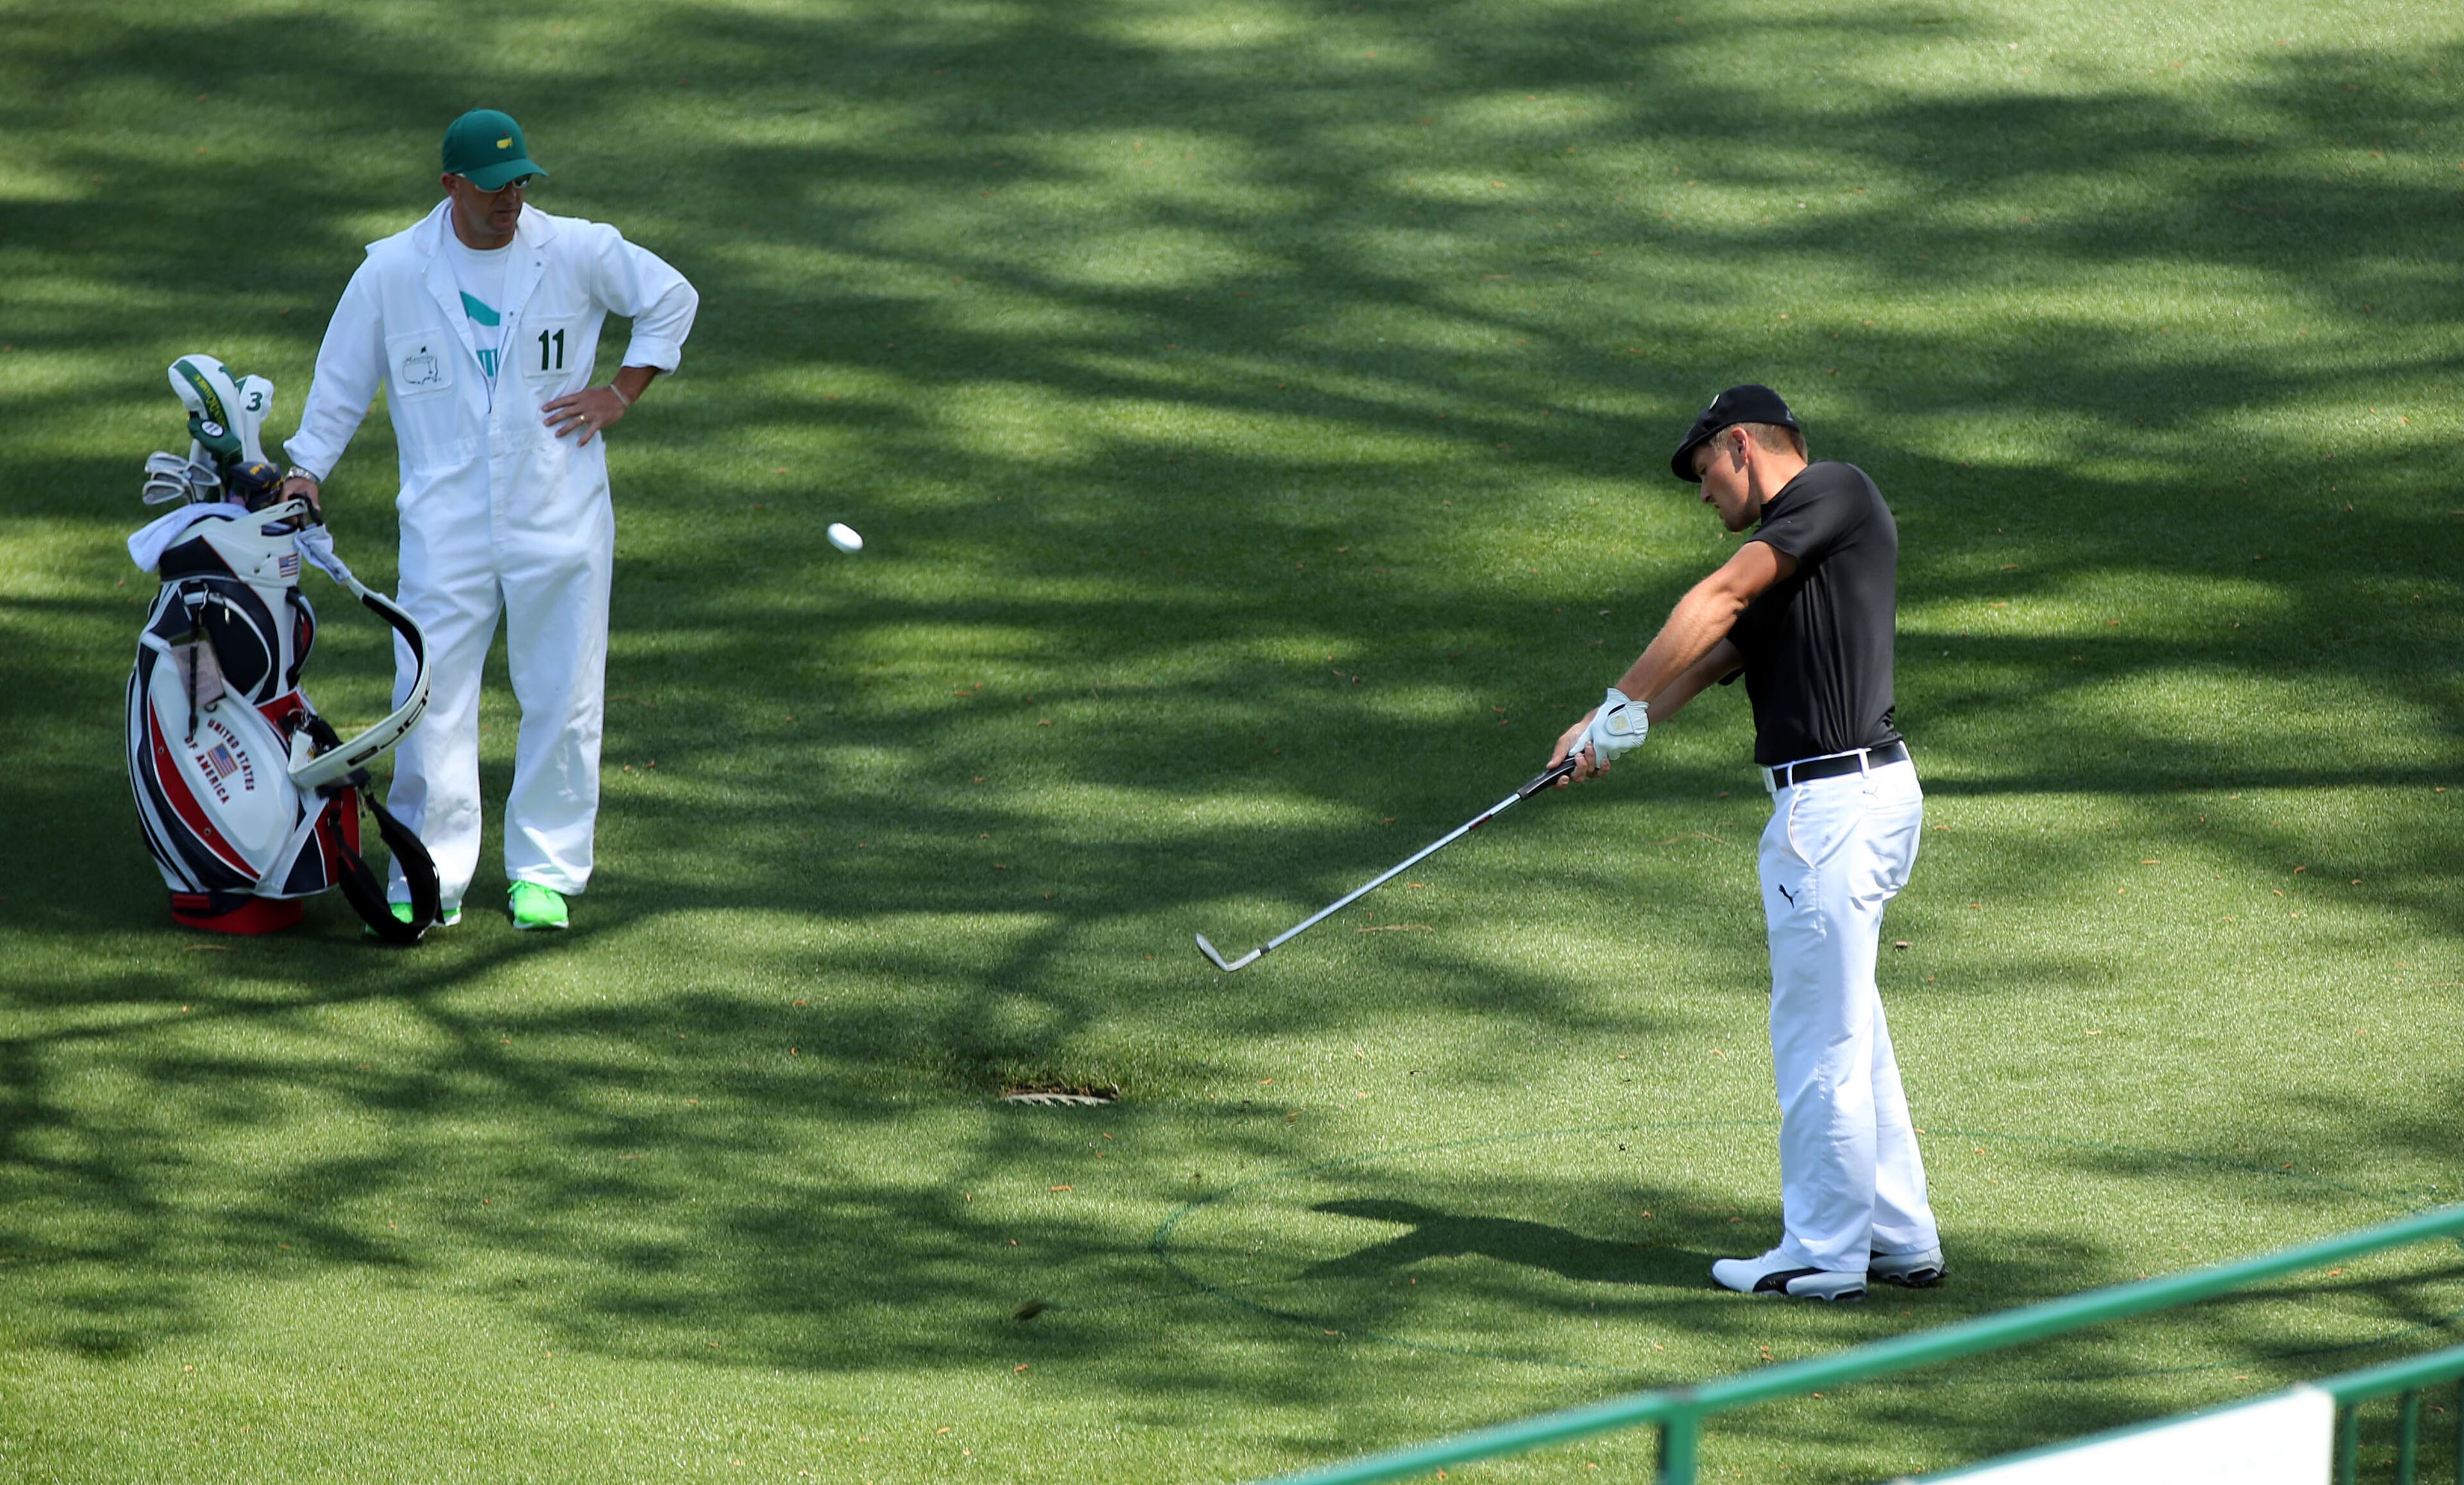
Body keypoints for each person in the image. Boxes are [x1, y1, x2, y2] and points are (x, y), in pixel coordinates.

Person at [1548, 385, 1942, 1302]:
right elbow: (1723, 650)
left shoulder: (1831, 492)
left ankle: (1821, 1249)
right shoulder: (1801, 553)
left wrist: (1614, 701)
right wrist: (1616, 735)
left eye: (1703, 475)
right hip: (1855, 797)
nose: (1702, 497)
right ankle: (1895, 1231)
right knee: (1853, 1025)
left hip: (1834, 808)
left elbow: (1717, 596)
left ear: (1740, 446)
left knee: (1819, 1038)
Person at [279, 109, 699, 931]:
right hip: (446, 527)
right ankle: (431, 872)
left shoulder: (573, 249)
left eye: (522, 183)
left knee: (564, 692)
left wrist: (621, 391)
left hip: (562, 515)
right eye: (496, 185)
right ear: (452, 186)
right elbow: (339, 384)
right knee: (428, 694)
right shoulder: (393, 271)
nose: (513, 199)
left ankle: (545, 870)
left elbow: (671, 297)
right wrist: (305, 471)